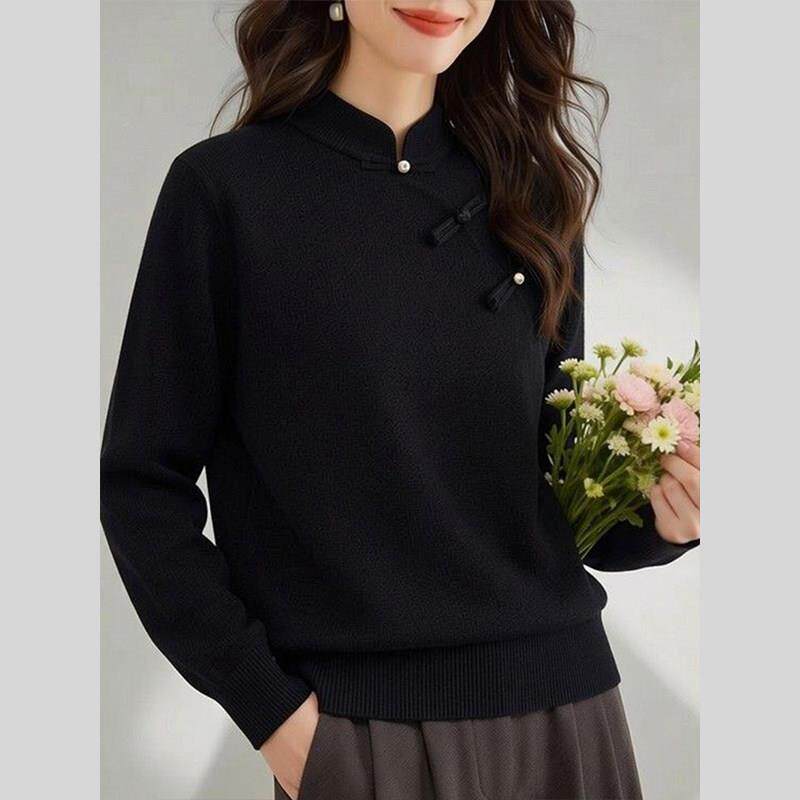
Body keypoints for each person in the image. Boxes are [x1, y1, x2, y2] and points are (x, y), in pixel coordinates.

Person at [100, 2, 700, 798]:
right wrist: (276, 718)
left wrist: (662, 521)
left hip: (570, 711)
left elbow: (543, 488)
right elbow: (142, 488)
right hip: (360, 734)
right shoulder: (226, 192)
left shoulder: (534, 195)